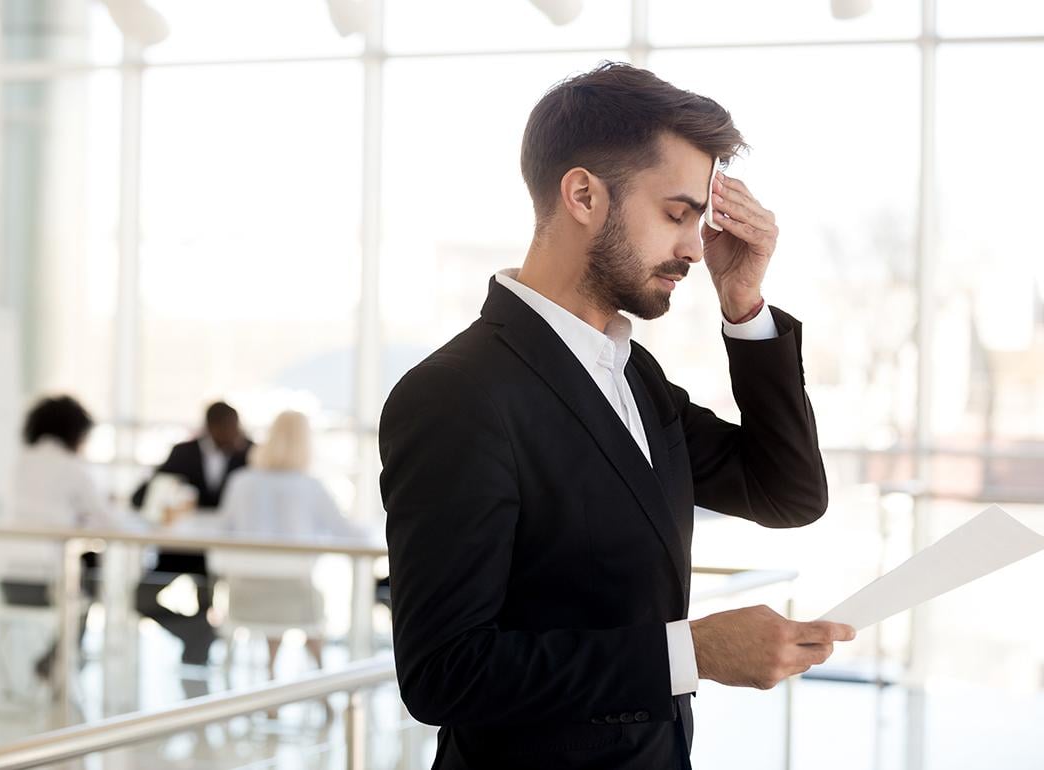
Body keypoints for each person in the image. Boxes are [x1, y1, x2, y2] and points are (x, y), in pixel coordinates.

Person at [378, 62, 856, 770]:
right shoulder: (456, 394)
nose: (696, 247)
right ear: (582, 195)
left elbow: (786, 494)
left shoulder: (634, 373)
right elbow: (444, 671)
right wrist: (689, 652)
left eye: (701, 218)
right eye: (676, 214)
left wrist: (745, 303)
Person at [217, 410, 361, 676]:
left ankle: (271, 675)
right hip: (296, 596)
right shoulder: (310, 486)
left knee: (275, 596)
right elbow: (345, 533)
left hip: (245, 594)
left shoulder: (242, 481)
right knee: (294, 599)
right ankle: (320, 684)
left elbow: (222, 533)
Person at [131, 400, 251, 665]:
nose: (234, 434)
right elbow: (141, 497)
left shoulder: (250, 453)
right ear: (210, 428)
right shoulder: (183, 453)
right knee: (141, 596)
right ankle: (197, 635)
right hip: (181, 550)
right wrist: (176, 501)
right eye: (227, 428)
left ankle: (197, 660)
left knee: (207, 604)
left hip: (226, 553)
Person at [7, 395, 108, 679]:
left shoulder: (21, 464)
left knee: (84, 573)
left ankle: (57, 659)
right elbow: (106, 521)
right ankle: (62, 660)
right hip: (52, 584)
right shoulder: (72, 468)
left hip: (7, 584)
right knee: (91, 575)